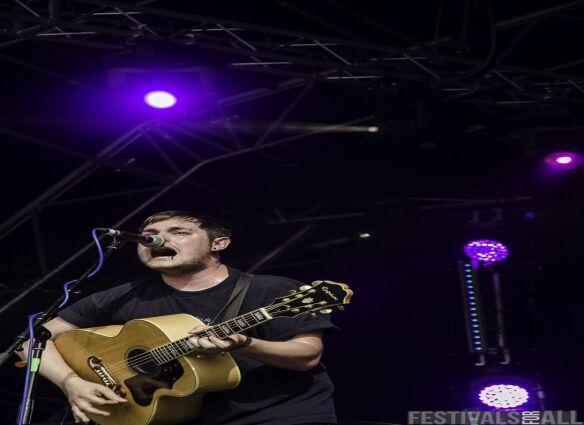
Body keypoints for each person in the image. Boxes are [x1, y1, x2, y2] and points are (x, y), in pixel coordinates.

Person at [18, 210, 338, 425]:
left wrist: (243, 343)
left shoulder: (273, 290)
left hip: (275, 416)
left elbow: (306, 356)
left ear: (219, 243)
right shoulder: (124, 294)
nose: (157, 239)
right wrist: (71, 382)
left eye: (179, 232)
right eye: (150, 234)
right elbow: (31, 341)